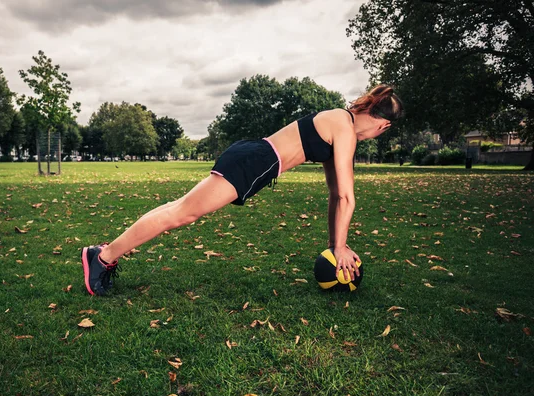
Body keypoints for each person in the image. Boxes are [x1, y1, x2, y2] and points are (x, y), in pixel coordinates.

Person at [81, 84, 404, 296]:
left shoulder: (337, 121)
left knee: (178, 208)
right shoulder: (344, 126)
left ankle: (104, 254)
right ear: (383, 125)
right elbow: (348, 196)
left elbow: (336, 194)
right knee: (181, 214)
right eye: (382, 131)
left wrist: (337, 246)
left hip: (254, 157)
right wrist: (342, 249)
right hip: (255, 161)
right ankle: (103, 256)